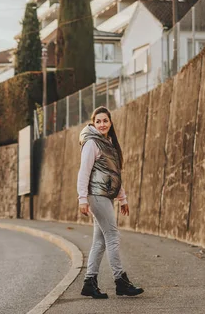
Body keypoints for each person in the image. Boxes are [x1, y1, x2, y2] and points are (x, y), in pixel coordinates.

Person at [78, 106, 144, 299]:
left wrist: (122, 198)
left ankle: (89, 282)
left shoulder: (108, 143)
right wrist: (82, 199)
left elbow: (113, 174)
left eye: (105, 120)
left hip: (105, 195)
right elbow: (83, 172)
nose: (102, 124)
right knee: (113, 236)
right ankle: (120, 281)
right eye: (98, 121)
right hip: (96, 196)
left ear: (111, 122)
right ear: (93, 122)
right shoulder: (92, 143)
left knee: (99, 241)